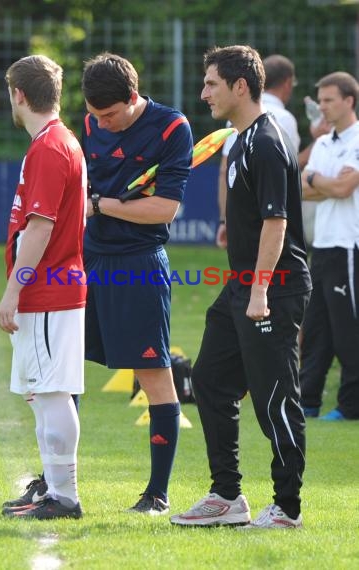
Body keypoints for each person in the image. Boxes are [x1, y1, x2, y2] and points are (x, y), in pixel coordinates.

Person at [170, 45, 312, 529]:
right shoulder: (238, 140)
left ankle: (287, 507)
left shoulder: (267, 140)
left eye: (211, 83)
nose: (203, 92)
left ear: (239, 87)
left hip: (270, 290)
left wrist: (258, 291)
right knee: (209, 379)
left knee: (275, 397)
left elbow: (278, 223)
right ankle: (227, 496)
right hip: (239, 286)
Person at [80, 53, 193, 515]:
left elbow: (165, 209)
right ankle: (54, 479)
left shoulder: (172, 128)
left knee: (154, 376)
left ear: (133, 97)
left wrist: (104, 206)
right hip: (88, 260)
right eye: (94, 116)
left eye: (109, 116)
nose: (101, 125)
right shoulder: (90, 125)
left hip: (139, 264)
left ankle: (156, 494)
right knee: (64, 370)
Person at [0, 54, 87, 519]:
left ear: (20, 95)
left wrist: (14, 289)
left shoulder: (50, 147)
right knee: (41, 394)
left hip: (49, 290)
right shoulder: (56, 142)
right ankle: (52, 491)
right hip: (47, 289)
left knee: (52, 393)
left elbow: (40, 229)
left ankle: (65, 497)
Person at [216, 54, 328, 250]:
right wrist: (318, 141)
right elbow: (291, 164)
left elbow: (226, 170)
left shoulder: (234, 115)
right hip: (270, 215)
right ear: (287, 83)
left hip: (242, 216)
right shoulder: (284, 118)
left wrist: (225, 220)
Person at [299, 71, 359, 421]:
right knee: (316, 327)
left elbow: (341, 190)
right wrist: (320, 182)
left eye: (328, 100)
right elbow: (304, 190)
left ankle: (351, 406)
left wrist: (313, 178)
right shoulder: (323, 143)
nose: (321, 107)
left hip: (347, 245)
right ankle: (308, 401)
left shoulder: (357, 139)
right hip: (321, 244)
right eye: (319, 100)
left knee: (347, 329)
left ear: (349, 101)